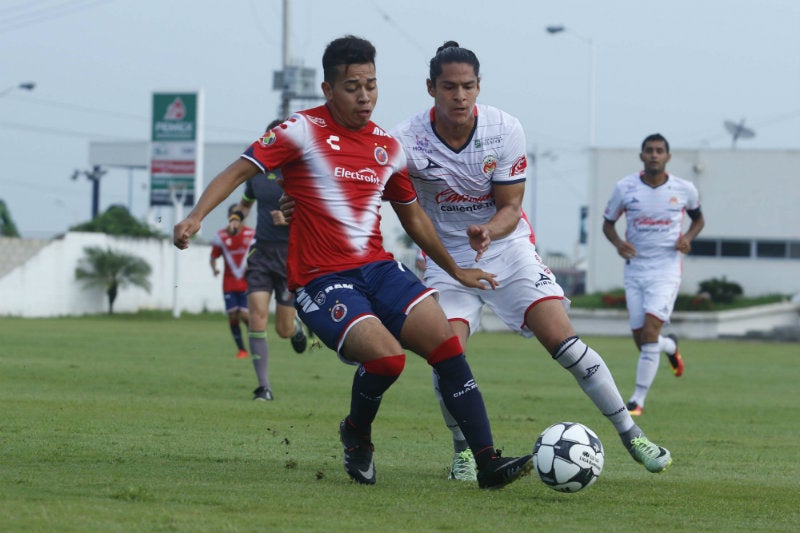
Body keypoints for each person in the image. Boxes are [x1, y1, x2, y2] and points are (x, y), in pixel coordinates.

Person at [174, 35, 532, 489]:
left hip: (379, 269)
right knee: (387, 361)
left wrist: (456, 270)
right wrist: (195, 217)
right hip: (320, 278)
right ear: (327, 90)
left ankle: (487, 462)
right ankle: (356, 434)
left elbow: (414, 218)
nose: (364, 96)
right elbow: (240, 169)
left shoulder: (387, 145)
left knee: (447, 348)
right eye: (351, 87)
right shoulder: (298, 131)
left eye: (371, 85)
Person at [390, 41, 673, 479]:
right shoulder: (404, 140)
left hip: (507, 249)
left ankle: (631, 433)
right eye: (449, 87)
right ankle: (463, 450)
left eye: (468, 86)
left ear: (479, 86)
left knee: (564, 342)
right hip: (447, 262)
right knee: (448, 354)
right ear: (431, 88)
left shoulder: (504, 130)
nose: (460, 96)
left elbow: (510, 204)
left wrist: (489, 230)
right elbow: (369, 189)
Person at [602, 133, 705, 416]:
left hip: (666, 269)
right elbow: (608, 224)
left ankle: (637, 401)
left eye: (660, 151)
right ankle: (670, 346)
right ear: (642, 156)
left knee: (649, 332)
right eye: (649, 150)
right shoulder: (625, 188)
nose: (654, 155)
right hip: (636, 269)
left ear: (668, 156)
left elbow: (698, 219)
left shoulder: (684, 189)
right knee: (641, 338)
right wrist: (619, 244)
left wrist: (688, 237)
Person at [228, 119, 310, 402]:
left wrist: (289, 218)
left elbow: (316, 214)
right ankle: (264, 387)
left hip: (290, 255)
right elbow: (245, 203)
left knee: (283, 330)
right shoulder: (257, 174)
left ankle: (297, 327)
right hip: (261, 254)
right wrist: (236, 219)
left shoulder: (303, 173)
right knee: (257, 318)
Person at [210, 203, 255, 359]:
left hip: (247, 281)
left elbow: (260, 253)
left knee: (245, 316)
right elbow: (213, 256)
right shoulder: (221, 236)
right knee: (233, 316)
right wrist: (214, 268)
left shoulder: (251, 234)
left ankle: (256, 341)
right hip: (228, 282)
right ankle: (242, 350)